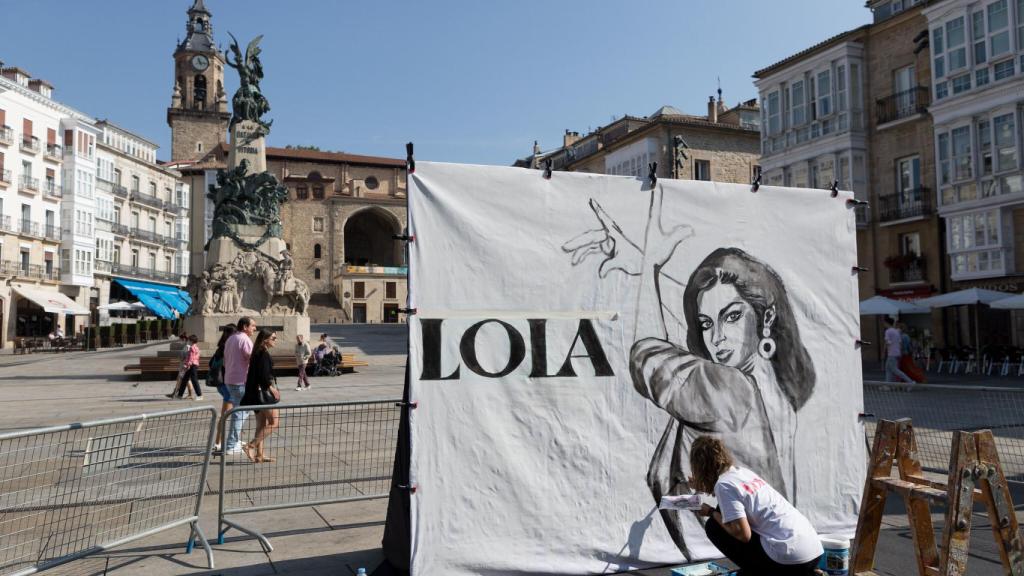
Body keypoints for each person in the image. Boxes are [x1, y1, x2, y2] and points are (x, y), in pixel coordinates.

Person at [563, 189, 816, 556]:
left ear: (766, 315)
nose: (716, 338)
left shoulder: (733, 389)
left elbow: (648, 357)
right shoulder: (776, 383)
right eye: (704, 322)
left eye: (731, 317)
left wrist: (645, 267)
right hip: (781, 544)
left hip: (761, 550)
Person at [690, 436, 823, 575]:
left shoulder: (724, 485)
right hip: (813, 552)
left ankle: (758, 571)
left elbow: (743, 535)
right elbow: (729, 499)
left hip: (792, 561)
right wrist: (702, 485)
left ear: (702, 467)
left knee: (713, 526)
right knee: (722, 512)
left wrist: (710, 512)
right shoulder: (741, 472)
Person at [241, 329, 280, 463]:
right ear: (265, 340)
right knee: (274, 423)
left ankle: (260, 455)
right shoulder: (262, 354)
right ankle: (250, 446)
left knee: (261, 425)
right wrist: (271, 388)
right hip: (262, 393)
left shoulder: (257, 352)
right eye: (273, 338)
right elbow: (263, 375)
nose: (275, 340)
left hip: (254, 393)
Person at [223, 317, 257, 455]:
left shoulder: (231, 339)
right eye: (253, 326)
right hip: (241, 380)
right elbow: (252, 358)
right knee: (240, 413)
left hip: (230, 379)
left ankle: (233, 442)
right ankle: (231, 444)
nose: (255, 328)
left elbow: (225, 360)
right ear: (245, 326)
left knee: (240, 412)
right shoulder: (244, 339)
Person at [210, 325, 237, 451]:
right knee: (226, 414)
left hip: (221, 384)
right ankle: (218, 442)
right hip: (227, 384)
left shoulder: (220, 347)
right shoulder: (228, 347)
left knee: (230, 414)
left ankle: (226, 440)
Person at [883, 317, 915, 386]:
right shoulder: (896, 331)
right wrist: (899, 352)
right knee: (888, 369)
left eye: (884, 323)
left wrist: (884, 351)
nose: (883, 324)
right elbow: (900, 343)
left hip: (891, 353)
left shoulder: (888, 331)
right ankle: (888, 385)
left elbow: (887, 342)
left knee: (894, 370)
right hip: (897, 353)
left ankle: (910, 382)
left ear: (886, 323)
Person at [172, 335, 204, 400]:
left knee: (194, 380)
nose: (188, 341)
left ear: (191, 341)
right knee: (185, 380)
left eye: (189, 340)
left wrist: (186, 365)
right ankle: (179, 395)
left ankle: (200, 395)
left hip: (192, 366)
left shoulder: (192, 348)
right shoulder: (196, 347)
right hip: (193, 365)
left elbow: (190, 358)